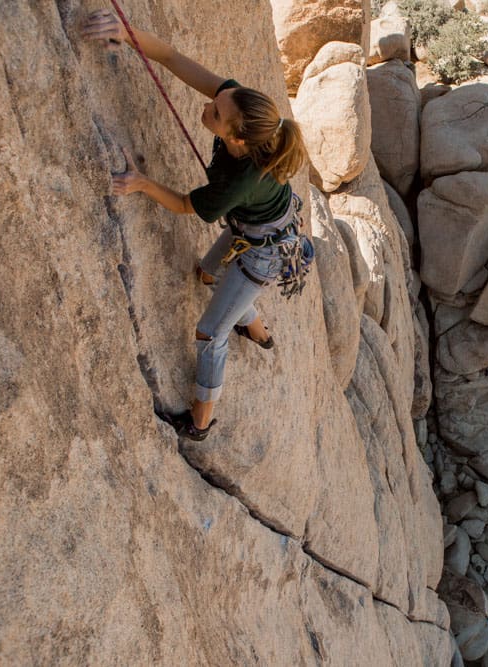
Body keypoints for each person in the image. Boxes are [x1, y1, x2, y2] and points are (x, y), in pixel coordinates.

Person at [83, 10, 310, 441]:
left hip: (262, 252)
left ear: (237, 139)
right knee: (207, 275)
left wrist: (142, 184)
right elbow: (171, 56)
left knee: (208, 332)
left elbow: (187, 205)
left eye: (216, 112)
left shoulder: (240, 181)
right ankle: (257, 331)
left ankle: (200, 423)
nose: (209, 105)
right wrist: (127, 34)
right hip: (255, 227)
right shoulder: (247, 113)